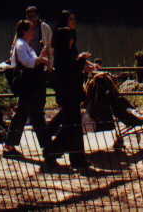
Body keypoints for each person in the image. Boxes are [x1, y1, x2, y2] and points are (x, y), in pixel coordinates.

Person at [3, 19, 55, 168]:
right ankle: (48, 150)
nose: (33, 32)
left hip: (30, 86)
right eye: (31, 29)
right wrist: (41, 60)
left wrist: (41, 55)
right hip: (29, 85)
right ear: (24, 31)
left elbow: (32, 60)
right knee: (36, 116)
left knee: (22, 115)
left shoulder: (25, 45)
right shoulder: (20, 45)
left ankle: (9, 145)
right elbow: (28, 62)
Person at [49, 10, 95, 171]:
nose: (71, 41)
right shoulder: (63, 57)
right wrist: (81, 60)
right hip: (69, 95)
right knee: (71, 127)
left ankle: (75, 158)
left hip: (70, 95)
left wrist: (82, 61)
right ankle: (54, 153)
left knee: (73, 127)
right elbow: (72, 70)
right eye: (70, 39)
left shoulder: (65, 54)